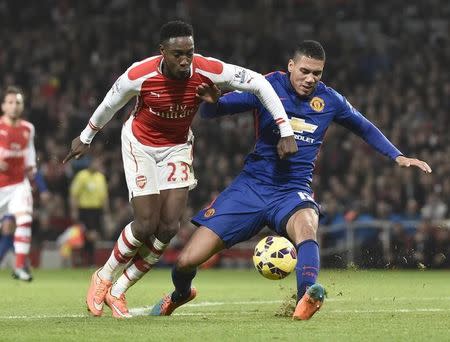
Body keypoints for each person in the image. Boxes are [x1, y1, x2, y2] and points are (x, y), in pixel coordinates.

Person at [150, 40, 432, 320]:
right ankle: (181, 294)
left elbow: (364, 127)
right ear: (290, 67)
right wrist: (211, 102)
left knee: (308, 227)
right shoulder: (266, 86)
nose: (310, 79)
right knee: (186, 261)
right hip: (250, 187)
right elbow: (215, 110)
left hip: (292, 191)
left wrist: (398, 156)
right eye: (305, 71)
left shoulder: (330, 100)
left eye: (317, 73)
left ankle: (306, 298)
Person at [63, 20, 297, 318]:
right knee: (146, 224)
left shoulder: (206, 68)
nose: (185, 60)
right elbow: (110, 104)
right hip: (141, 144)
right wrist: (85, 137)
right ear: (162, 52)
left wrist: (284, 129)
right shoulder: (139, 74)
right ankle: (104, 276)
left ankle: (119, 291)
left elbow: (259, 82)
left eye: (189, 52)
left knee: (169, 228)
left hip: (177, 147)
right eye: (178, 54)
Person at [0, 86, 38, 281]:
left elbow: (30, 152)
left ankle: (19, 267)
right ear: (3, 106)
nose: (14, 106)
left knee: (24, 219)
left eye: (18, 103)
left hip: (17, 185)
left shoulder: (28, 129)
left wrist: (32, 168)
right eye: (11, 102)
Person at [69, 158, 109, 266]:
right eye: (95, 162)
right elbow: (74, 194)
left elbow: (104, 196)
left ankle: (89, 261)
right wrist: (74, 210)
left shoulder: (100, 177)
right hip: (84, 210)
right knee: (87, 236)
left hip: (97, 211)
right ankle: (85, 260)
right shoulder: (82, 176)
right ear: (90, 164)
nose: (97, 165)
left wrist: (106, 213)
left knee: (94, 237)